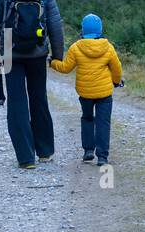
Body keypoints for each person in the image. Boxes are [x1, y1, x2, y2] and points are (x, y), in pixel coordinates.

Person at [0, 0, 63, 169]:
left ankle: (26, 157)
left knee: (17, 102)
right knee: (39, 98)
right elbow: (55, 22)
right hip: (38, 52)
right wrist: (57, 55)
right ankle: (46, 151)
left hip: (11, 52)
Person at [50, 13, 123, 165]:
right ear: (100, 29)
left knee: (87, 118)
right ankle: (102, 157)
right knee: (103, 123)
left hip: (85, 93)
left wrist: (52, 62)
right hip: (104, 94)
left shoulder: (76, 48)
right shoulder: (108, 48)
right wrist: (116, 82)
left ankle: (88, 151)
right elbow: (117, 69)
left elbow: (65, 68)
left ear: (83, 30)